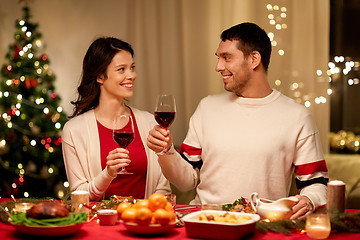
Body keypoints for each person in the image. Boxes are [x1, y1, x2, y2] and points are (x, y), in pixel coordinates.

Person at [147, 22, 328, 219]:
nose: (218, 67)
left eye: (227, 58)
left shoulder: (297, 117)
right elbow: (185, 182)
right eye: (218, 58)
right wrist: (166, 151)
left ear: (254, 59)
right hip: (205, 222)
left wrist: (310, 200)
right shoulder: (207, 107)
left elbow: (315, 184)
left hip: (262, 225)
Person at [62, 37, 171, 201]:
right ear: (100, 77)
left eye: (132, 68)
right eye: (121, 69)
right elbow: (79, 197)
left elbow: (163, 190)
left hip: (143, 221)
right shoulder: (73, 130)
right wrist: (108, 173)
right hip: (98, 224)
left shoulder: (150, 123)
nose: (132, 75)